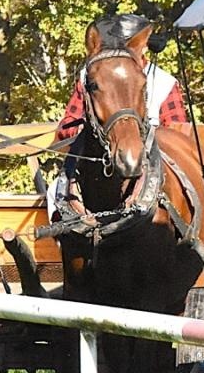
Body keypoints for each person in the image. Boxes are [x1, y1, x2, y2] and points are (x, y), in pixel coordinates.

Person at [47, 13, 188, 219]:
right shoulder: (92, 77)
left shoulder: (165, 83)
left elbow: (178, 133)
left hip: (153, 163)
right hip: (99, 165)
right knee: (54, 192)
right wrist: (86, 131)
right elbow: (67, 126)